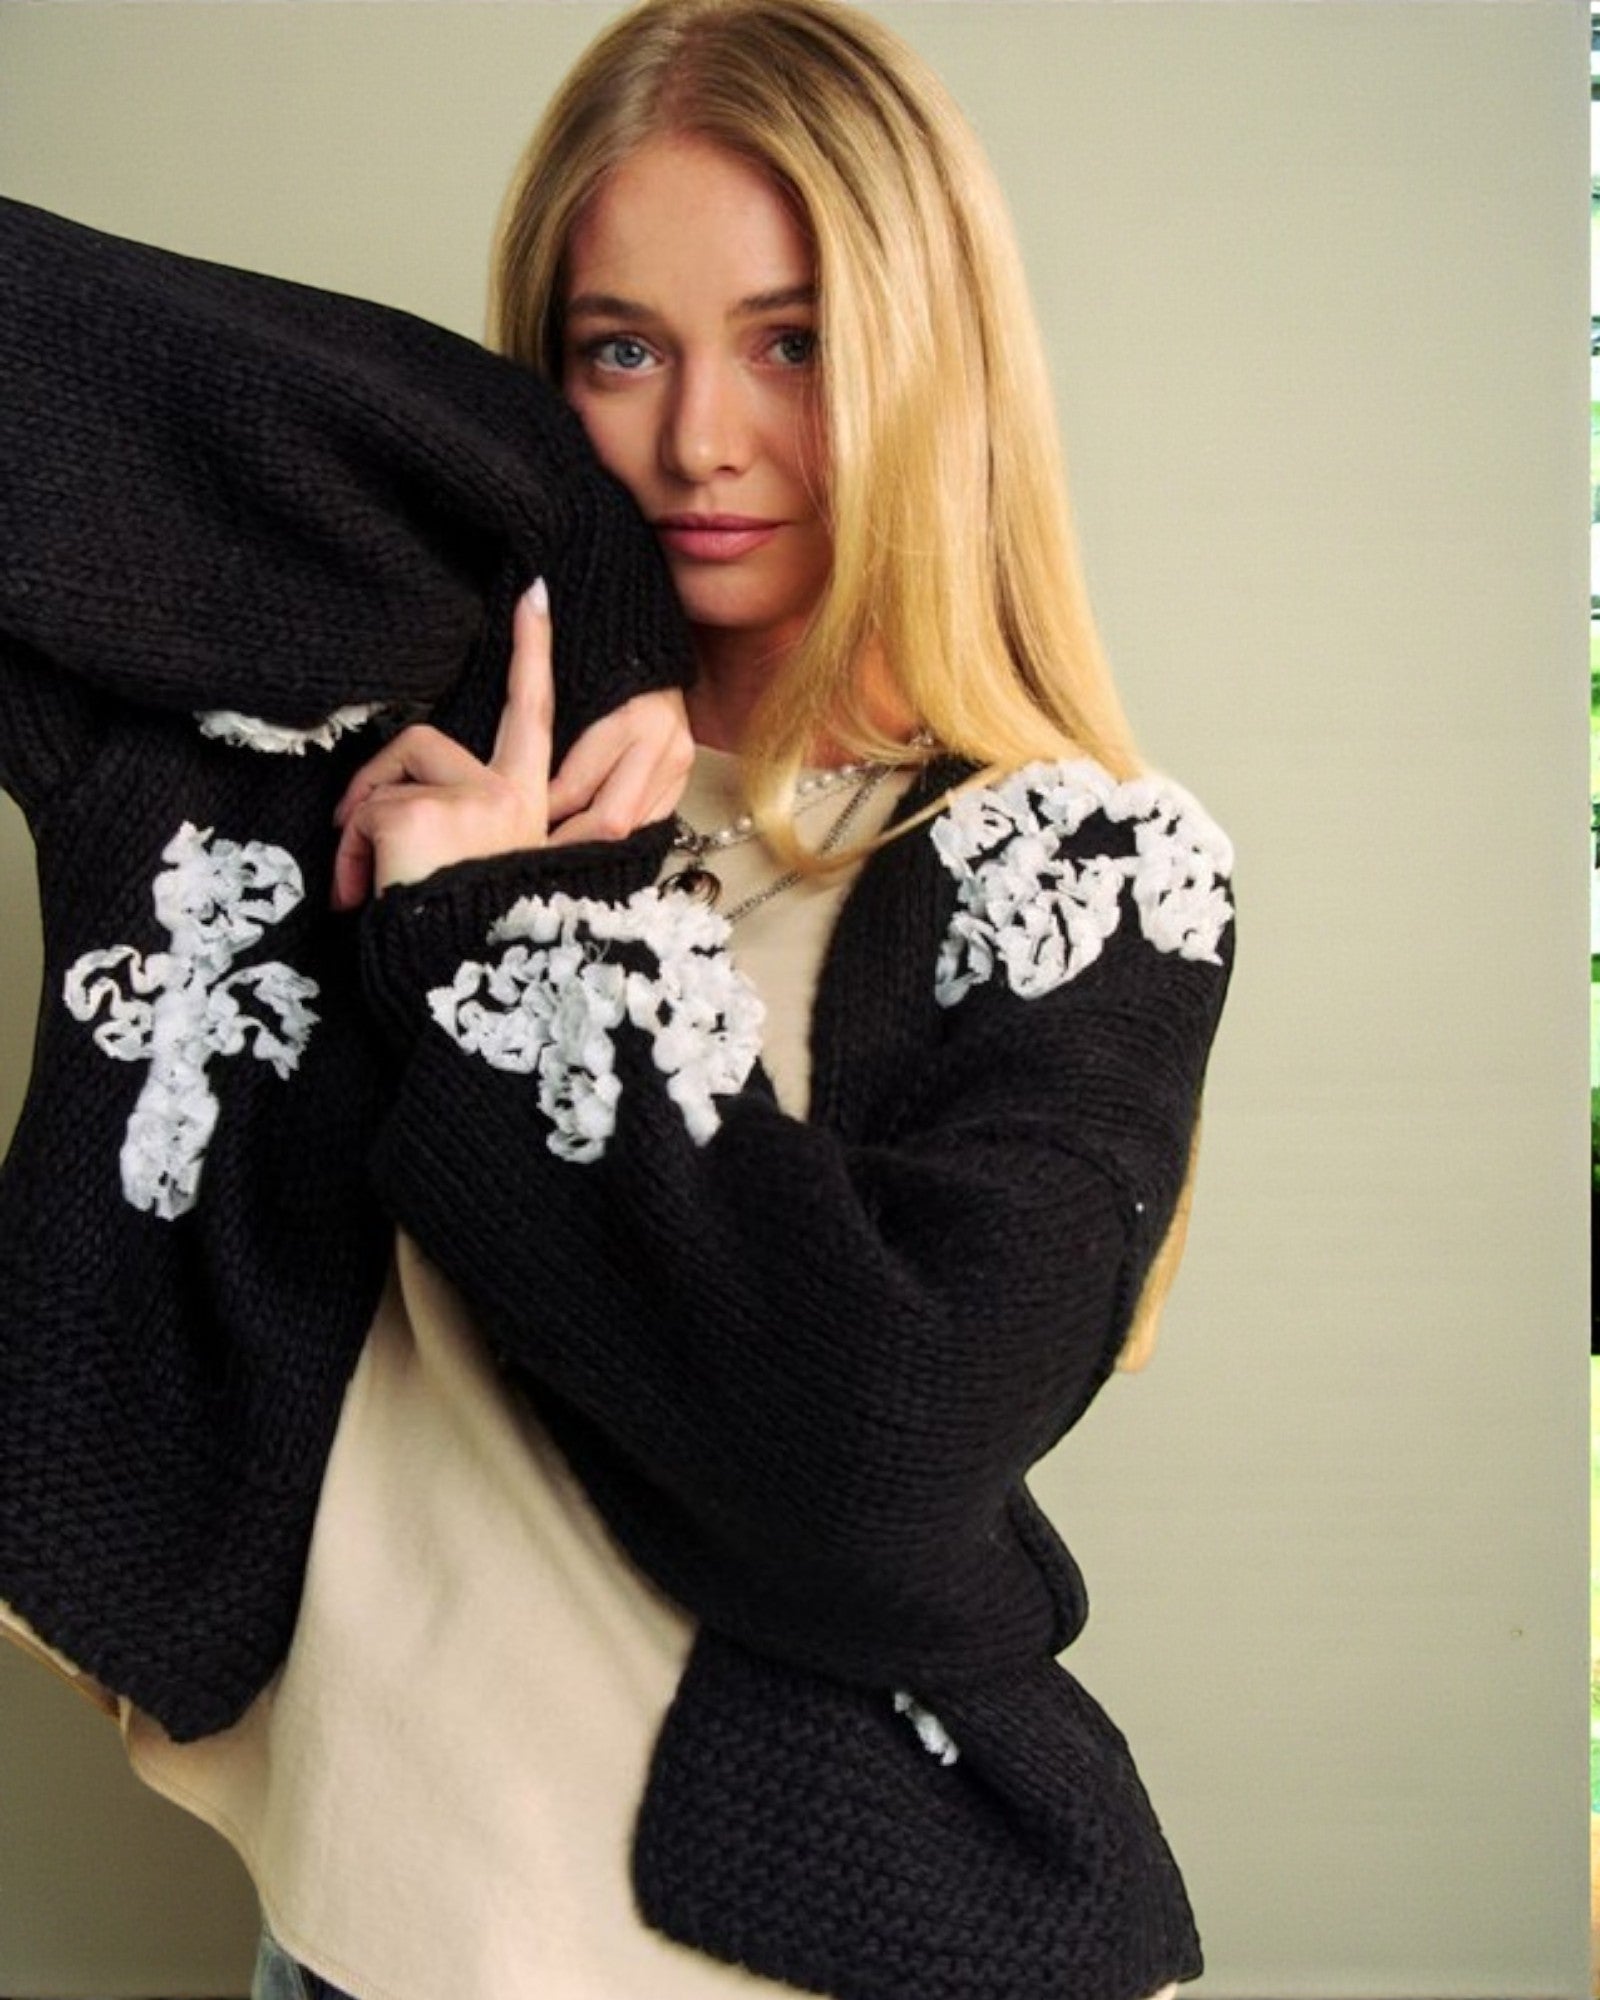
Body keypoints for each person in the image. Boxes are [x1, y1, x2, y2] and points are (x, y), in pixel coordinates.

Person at [0, 2, 1234, 1997]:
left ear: (930, 354)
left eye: (793, 341)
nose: (700, 441)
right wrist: (555, 546)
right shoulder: (386, 733)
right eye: (621, 349)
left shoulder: (1083, 867)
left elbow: (876, 1450)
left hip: (772, 1958)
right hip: (354, 1923)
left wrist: (499, 920)